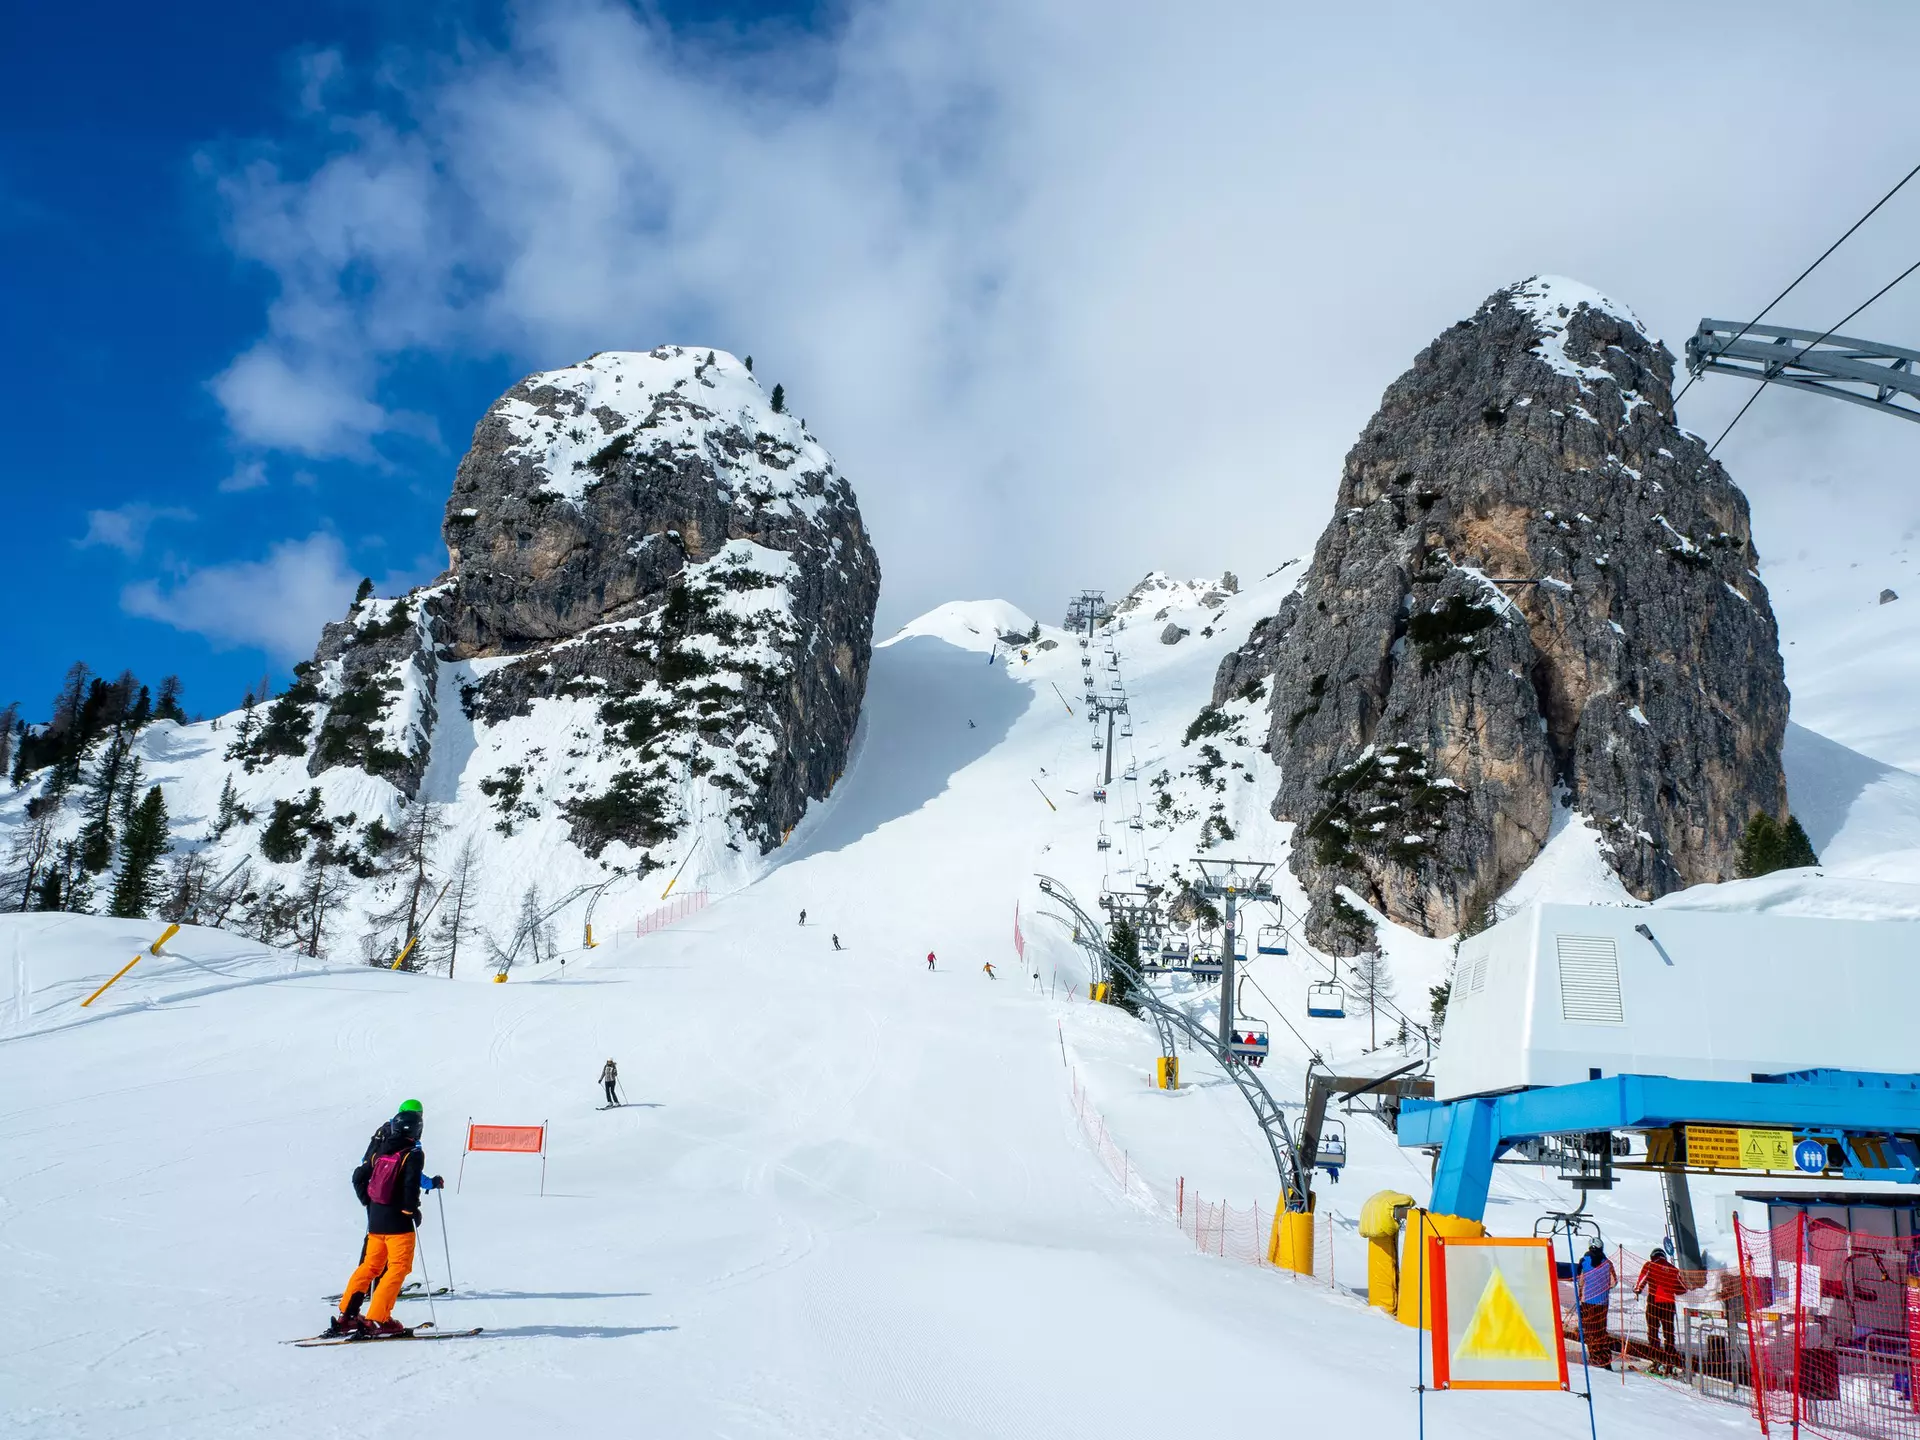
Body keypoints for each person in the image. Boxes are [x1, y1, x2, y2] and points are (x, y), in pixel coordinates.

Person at [329, 1100, 441, 1338]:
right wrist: (410, 1211)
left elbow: (360, 1174)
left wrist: (370, 1202)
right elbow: (410, 1184)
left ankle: (347, 1316)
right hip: (397, 1222)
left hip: (376, 1218)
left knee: (370, 1266)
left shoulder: (382, 1146)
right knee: (398, 1267)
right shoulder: (413, 1151)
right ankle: (378, 1319)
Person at [1635, 1247, 1686, 1375]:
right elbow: (1682, 1288)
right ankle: (1671, 1361)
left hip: (1654, 1302)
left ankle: (1656, 1360)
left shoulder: (1650, 1265)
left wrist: (1637, 1289)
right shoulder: (1673, 1269)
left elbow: (1642, 1280)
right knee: (1669, 1333)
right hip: (1669, 1304)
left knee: (1653, 1331)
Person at [1575, 1239, 1618, 1368]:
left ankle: (1595, 1357)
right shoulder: (1607, 1263)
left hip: (1587, 1302)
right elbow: (1613, 1282)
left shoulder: (1584, 1261)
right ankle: (1605, 1358)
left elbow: (1580, 1281)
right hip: (1603, 1302)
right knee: (1600, 1331)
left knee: (1589, 1331)